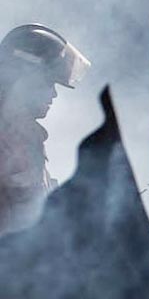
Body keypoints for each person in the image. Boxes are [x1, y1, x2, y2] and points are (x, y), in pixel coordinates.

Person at [0, 23, 90, 237]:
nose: (54, 94)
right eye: (49, 83)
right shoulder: (7, 140)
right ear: (24, 79)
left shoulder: (26, 137)